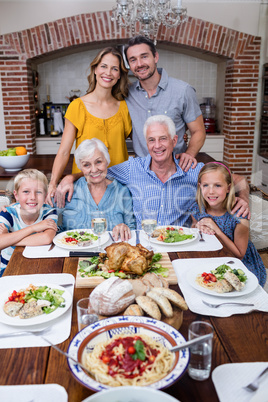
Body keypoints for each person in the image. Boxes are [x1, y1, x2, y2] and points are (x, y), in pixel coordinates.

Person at [52, 115, 250, 226]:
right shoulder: (132, 168)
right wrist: (71, 176)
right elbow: (97, 171)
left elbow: (239, 180)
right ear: (146, 143)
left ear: (174, 141)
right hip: (143, 246)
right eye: (151, 140)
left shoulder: (191, 169)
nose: (157, 146)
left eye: (163, 139)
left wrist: (242, 198)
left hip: (179, 244)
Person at [46, 46, 132, 206]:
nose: (108, 73)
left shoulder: (125, 107)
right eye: (104, 66)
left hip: (119, 187)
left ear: (119, 75)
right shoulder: (77, 106)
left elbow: (143, 143)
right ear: (95, 69)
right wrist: (53, 183)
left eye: (114, 69)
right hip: (85, 185)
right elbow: (64, 151)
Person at [124, 35, 206, 172]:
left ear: (155, 57)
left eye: (144, 56)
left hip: (176, 169)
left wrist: (189, 154)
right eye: (133, 60)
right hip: (141, 172)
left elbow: (198, 131)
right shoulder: (127, 94)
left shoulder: (183, 91)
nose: (139, 64)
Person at [190, 162, 266, 287]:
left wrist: (217, 230)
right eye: (206, 185)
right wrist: (198, 226)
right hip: (212, 260)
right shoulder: (197, 208)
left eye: (218, 185)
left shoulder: (239, 218)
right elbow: (194, 225)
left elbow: (239, 255)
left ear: (229, 188)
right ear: (200, 186)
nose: (211, 191)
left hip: (240, 267)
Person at [57, 138, 136, 241]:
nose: (94, 170)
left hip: (110, 253)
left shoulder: (122, 191)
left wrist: (125, 228)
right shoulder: (67, 191)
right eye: (86, 165)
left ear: (107, 161)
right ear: (80, 166)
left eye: (98, 162)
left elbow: (132, 229)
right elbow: (51, 223)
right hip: (73, 253)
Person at [0, 169, 58, 276]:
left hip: (38, 267)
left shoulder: (49, 211)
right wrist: (33, 228)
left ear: (45, 196)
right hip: (7, 271)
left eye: (38, 192)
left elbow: (46, 238)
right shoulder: (8, 213)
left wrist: (8, 239)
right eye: (26, 191)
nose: (32, 197)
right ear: (16, 195)